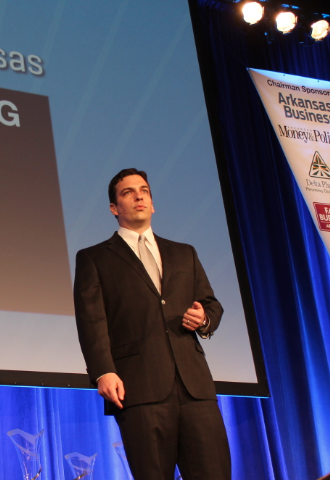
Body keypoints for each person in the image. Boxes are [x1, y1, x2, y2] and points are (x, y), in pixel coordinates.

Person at [73, 168, 230, 480]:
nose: (138, 195)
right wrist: (103, 370)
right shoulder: (94, 258)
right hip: (139, 389)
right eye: (127, 192)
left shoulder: (184, 253)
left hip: (195, 389)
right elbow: (91, 320)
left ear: (153, 203)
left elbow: (211, 304)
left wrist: (204, 318)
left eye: (143, 189)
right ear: (114, 208)